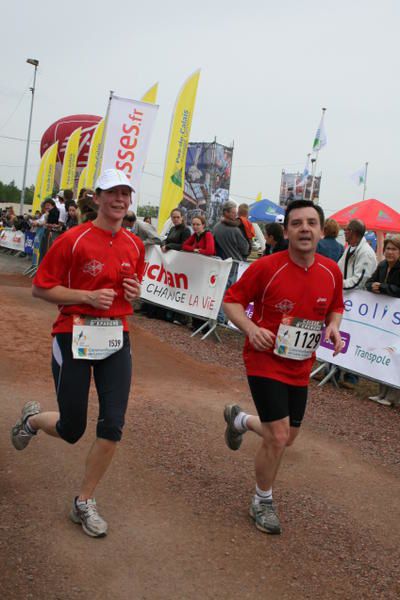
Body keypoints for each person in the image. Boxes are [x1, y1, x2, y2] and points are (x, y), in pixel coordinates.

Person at [11, 168, 145, 538]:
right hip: (73, 335)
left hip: (116, 337)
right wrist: (85, 296)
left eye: (125, 194)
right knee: (73, 428)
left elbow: (134, 286)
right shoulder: (73, 239)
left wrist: (134, 293)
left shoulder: (134, 245)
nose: (119, 200)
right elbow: (41, 287)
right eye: (113, 193)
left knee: (113, 424)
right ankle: (33, 421)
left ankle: (83, 501)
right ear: (98, 197)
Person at [222, 200, 344, 535]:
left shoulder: (331, 270)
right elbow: (231, 301)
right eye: (297, 223)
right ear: (287, 230)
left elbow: (336, 308)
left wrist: (333, 326)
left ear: (321, 230)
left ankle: (240, 419)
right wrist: (251, 329)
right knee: (277, 436)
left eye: (311, 223)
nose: (304, 228)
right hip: (264, 359)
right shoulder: (267, 267)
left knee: (287, 437)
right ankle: (262, 500)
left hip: (300, 364)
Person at [337, 219, 377, 387]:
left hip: (358, 301)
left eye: (346, 230)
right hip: (348, 298)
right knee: (340, 332)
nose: (344, 232)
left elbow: (359, 280)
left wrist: (339, 285)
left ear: (353, 232)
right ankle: (334, 370)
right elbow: (339, 268)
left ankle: (351, 378)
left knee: (354, 336)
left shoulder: (366, 252)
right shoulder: (351, 248)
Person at [365, 235, 400, 406]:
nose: (390, 252)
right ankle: (381, 392)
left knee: (394, 354)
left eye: (394, 249)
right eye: (388, 248)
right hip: (383, 320)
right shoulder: (382, 265)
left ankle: (392, 396)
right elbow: (369, 281)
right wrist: (372, 286)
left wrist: (384, 287)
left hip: (396, 321)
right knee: (381, 351)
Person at [213, 201, 250, 324]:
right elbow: (245, 248)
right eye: (233, 212)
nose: (235, 215)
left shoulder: (216, 227)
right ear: (226, 213)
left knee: (218, 291)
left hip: (220, 264)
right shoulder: (235, 230)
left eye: (236, 212)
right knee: (228, 293)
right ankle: (221, 318)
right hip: (234, 266)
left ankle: (216, 316)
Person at [183, 215, 216, 331]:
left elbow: (210, 250)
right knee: (196, 294)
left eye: (198, 224)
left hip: (208, 270)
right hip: (199, 269)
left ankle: (203, 325)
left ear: (203, 225)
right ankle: (196, 323)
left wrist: (197, 251)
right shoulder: (195, 236)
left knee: (203, 296)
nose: (195, 227)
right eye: (194, 224)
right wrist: (195, 250)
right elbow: (185, 245)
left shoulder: (207, 235)